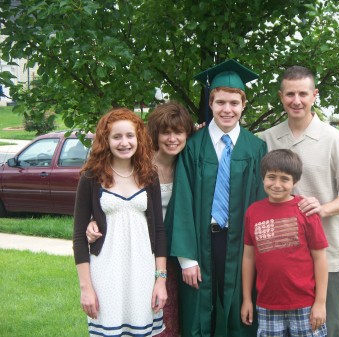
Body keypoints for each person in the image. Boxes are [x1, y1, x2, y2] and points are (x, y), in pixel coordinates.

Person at [259, 66, 339, 337]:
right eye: (290, 94)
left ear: (314, 95)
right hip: (278, 261)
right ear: (281, 96)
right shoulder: (266, 139)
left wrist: (322, 208)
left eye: (303, 94)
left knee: (326, 329)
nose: (297, 100)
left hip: (323, 258)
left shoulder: (334, 140)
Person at [169, 59, 267, 337]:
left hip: (241, 245)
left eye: (234, 103)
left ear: (243, 105)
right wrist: (187, 259)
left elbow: (261, 203)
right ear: (210, 103)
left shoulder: (256, 148)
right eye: (221, 102)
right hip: (201, 243)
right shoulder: (192, 148)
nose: (227, 109)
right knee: (201, 310)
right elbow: (183, 203)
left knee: (240, 308)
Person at [86, 102, 196, 337]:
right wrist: (93, 222)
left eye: (178, 132)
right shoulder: (142, 167)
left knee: (177, 317)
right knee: (146, 316)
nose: (172, 139)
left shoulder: (189, 164)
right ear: (154, 134)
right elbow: (106, 199)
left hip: (181, 250)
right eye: (165, 132)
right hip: (145, 252)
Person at [73, 107, 168, 336]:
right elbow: (78, 236)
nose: (124, 142)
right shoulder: (91, 178)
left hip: (142, 272)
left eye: (129, 136)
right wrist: (86, 288)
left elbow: (159, 230)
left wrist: (160, 280)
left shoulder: (149, 175)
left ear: (138, 139)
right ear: (105, 140)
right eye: (117, 136)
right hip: (106, 273)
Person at [241, 149, 328, 337]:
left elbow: (320, 258)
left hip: (305, 304)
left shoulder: (306, 211)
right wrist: (247, 299)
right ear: (263, 178)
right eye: (271, 177)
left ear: (295, 182)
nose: (277, 184)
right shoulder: (253, 212)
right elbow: (249, 258)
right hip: (267, 304)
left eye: (285, 179)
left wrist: (320, 303)